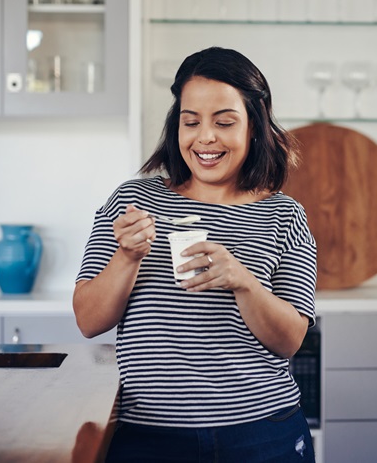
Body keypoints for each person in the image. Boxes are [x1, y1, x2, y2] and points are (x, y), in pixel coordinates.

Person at [73, 46, 317, 462]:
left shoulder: (283, 215)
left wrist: (243, 281)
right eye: (191, 122)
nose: (206, 137)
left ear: (253, 127)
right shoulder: (132, 201)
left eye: (224, 122)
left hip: (262, 434)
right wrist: (127, 258)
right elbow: (88, 320)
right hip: (148, 435)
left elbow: (290, 340)